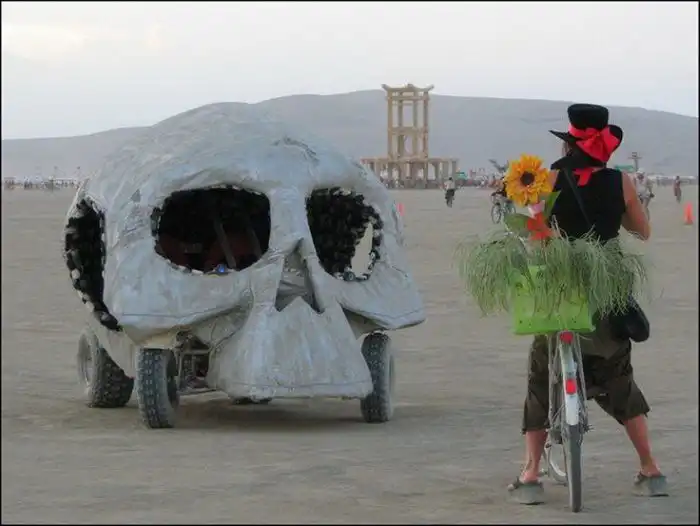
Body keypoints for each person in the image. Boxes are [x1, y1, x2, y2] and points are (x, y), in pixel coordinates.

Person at [509, 103, 667, 505]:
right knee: (617, 375)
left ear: (569, 143)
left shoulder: (547, 179)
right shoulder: (620, 181)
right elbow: (642, 231)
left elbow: (536, 232)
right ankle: (650, 469)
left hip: (560, 287)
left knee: (541, 376)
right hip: (605, 287)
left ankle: (530, 474)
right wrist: (617, 211)